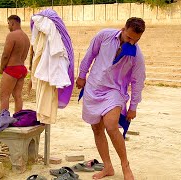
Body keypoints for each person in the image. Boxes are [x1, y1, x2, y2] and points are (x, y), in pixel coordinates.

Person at [76, 17, 146, 180]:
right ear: (123, 29)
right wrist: (81, 75)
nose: (132, 42)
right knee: (96, 128)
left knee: (111, 125)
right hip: (94, 86)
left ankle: (125, 166)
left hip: (114, 91)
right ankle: (108, 167)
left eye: (136, 40)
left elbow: (138, 81)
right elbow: (90, 54)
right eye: (129, 37)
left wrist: (133, 106)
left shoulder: (137, 55)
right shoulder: (104, 35)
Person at [0, 15, 30, 113]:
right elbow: (24, 56)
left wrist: (2, 68)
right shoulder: (26, 37)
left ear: (12, 23)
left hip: (12, 67)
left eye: (8, 24)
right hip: (22, 68)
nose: (8, 26)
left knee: (4, 95)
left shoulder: (12, 35)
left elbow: (6, 55)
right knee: (18, 95)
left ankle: (3, 119)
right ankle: (18, 117)